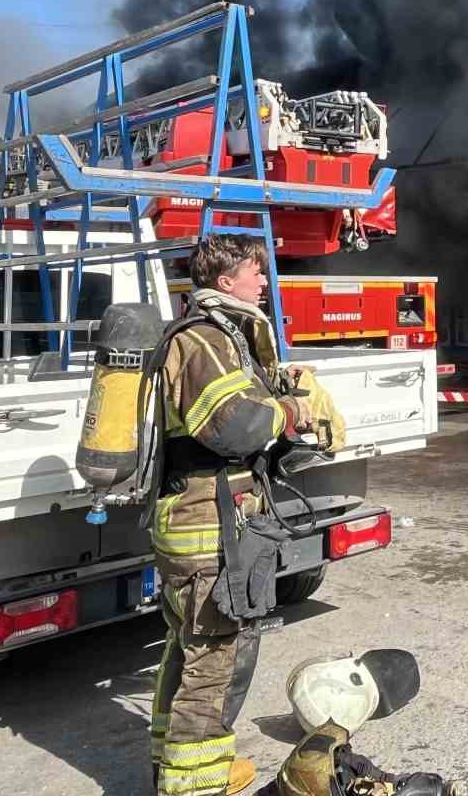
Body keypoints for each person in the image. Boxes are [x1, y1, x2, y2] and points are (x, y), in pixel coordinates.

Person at [149, 234, 319, 795]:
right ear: (225, 283)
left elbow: (243, 411)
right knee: (215, 657)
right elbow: (233, 427)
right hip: (203, 524)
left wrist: (282, 389)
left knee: (188, 646)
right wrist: (295, 410)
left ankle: (171, 761)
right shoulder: (203, 341)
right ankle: (195, 784)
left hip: (199, 516)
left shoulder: (222, 338)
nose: (264, 281)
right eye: (256, 272)